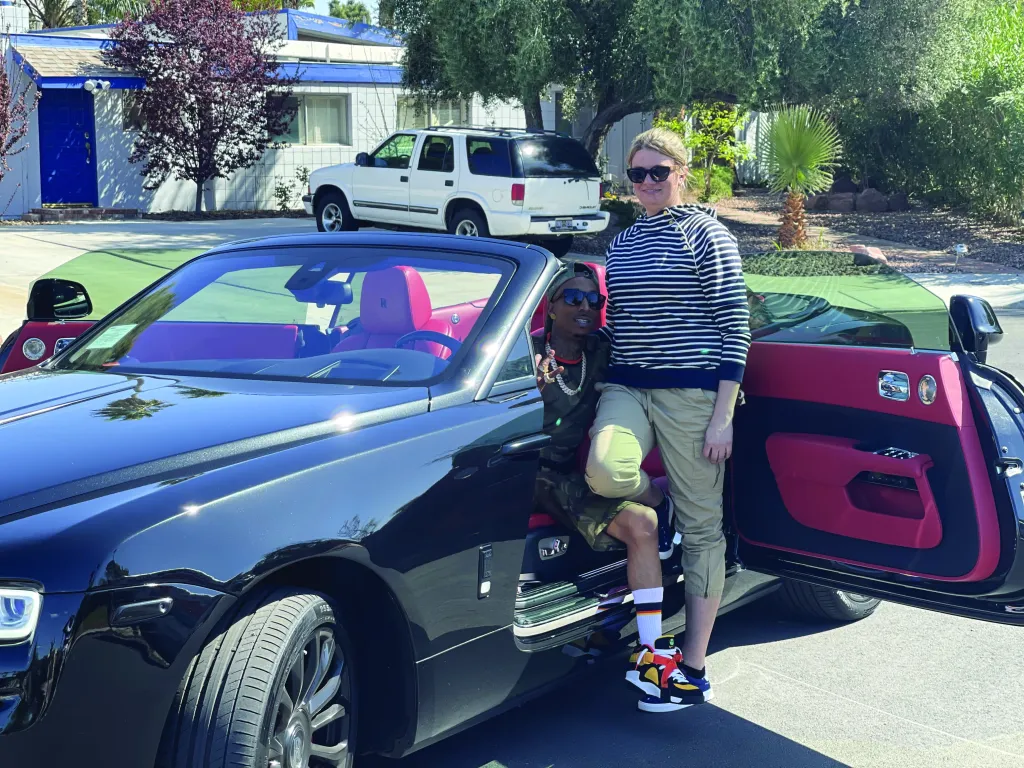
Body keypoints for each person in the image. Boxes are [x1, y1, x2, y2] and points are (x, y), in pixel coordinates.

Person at [584, 127, 751, 713]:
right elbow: (619, 322)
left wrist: (722, 418)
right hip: (628, 384)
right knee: (605, 472)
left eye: (660, 172)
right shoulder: (624, 242)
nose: (649, 183)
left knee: (704, 529)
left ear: (682, 173)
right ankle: (659, 495)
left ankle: (693, 665)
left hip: (692, 395)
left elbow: (735, 330)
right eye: (638, 174)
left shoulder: (708, 235)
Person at [532, 263, 677, 646]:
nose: (585, 307)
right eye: (574, 298)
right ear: (550, 306)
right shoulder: (523, 354)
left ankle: (651, 648)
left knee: (643, 524)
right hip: (523, 472)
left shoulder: (603, 348)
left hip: (570, 474)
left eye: (594, 300)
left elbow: (654, 331)